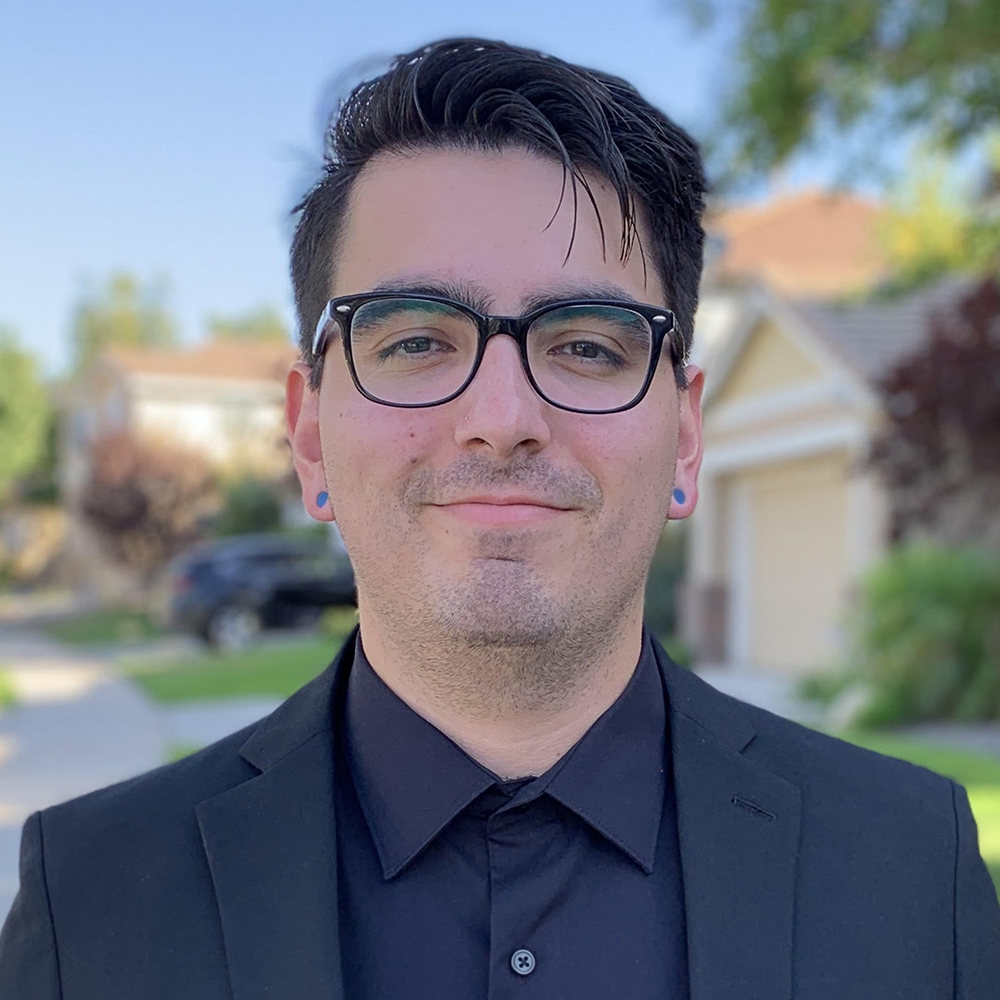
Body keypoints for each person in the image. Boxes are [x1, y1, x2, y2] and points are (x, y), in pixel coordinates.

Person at [2, 36, 998, 1000]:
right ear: (309, 439)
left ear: (686, 438)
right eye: (420, 339)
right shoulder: (89, 896)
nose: (503, 420)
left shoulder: (915, 871)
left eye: (589, 346)